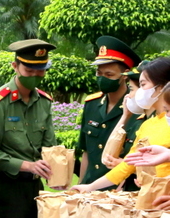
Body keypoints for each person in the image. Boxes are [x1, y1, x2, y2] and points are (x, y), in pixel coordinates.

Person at [0, 40, 57, 218]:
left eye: (40, 70)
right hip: (5, 188)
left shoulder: (44, 102)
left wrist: (57, 168)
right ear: (15, 66)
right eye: (29, 71)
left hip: (36, 188)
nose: (35, 76)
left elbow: (49, 146)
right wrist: (26, 165)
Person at [73, 58, 170, 193]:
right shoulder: (148, 125)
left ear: (160, 88)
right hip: (153, 198)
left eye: (142, 85)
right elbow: (127, 165)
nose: (138, 91)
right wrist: (90, 187)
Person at [77, 36, 142, 185]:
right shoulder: (91, 104)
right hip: (89, 189)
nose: (102, 79)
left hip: (118, 193)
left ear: (125, 75)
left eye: (109, 75)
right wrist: (80, 185)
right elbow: (86, 152)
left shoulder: (137, 108)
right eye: (99, 73)